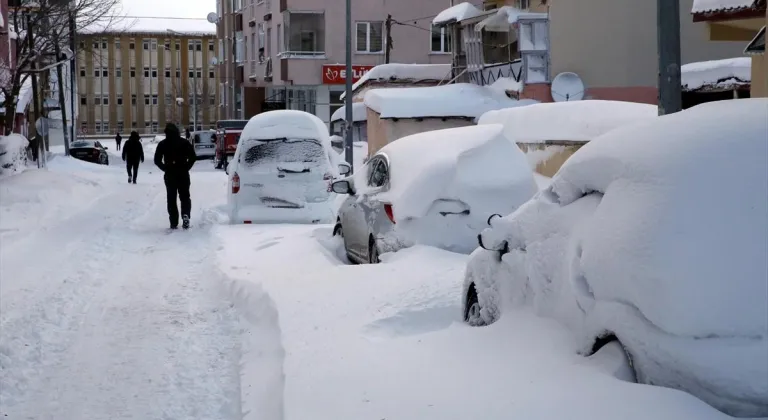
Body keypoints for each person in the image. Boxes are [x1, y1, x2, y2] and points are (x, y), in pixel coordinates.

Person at [154, 123, 197, 229]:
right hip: (183, 173)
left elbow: (157, 160)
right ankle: (185, 214)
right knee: (185, 197)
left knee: (171, 198)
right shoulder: (184, 143)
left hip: (170, 174)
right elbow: (193, 157)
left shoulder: (163, 144)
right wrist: (186, 167)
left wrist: (165, 168)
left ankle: (173, 221)